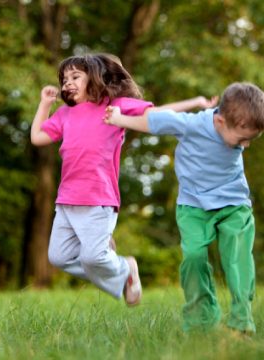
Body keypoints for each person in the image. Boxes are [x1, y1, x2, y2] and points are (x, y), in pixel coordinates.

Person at [30, 53, 217, 306]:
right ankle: (121, 270)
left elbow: (157, 114)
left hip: (98, 199)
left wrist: (195, 101)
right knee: (59, 257)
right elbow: (38, 138)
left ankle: (125, 268)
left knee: (92, 258)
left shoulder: (114, 106)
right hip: (66, 200)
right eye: (64, 79)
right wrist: (44, 104)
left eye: (75, 77)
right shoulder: (64, 114)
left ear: (94, 78)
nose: (67, 83)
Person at [104, 82, 264, 333]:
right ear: (220, 122)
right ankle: (201, 319)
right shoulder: (190, 125)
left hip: (234, 204)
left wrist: (240, 138)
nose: (246, 146)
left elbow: (241, 138)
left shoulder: (237, 130)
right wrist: (120, 118)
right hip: (193, 206)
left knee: (238, 258)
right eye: (243, 139)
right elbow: (152, 120)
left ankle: (241, 319)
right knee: (193, 258)